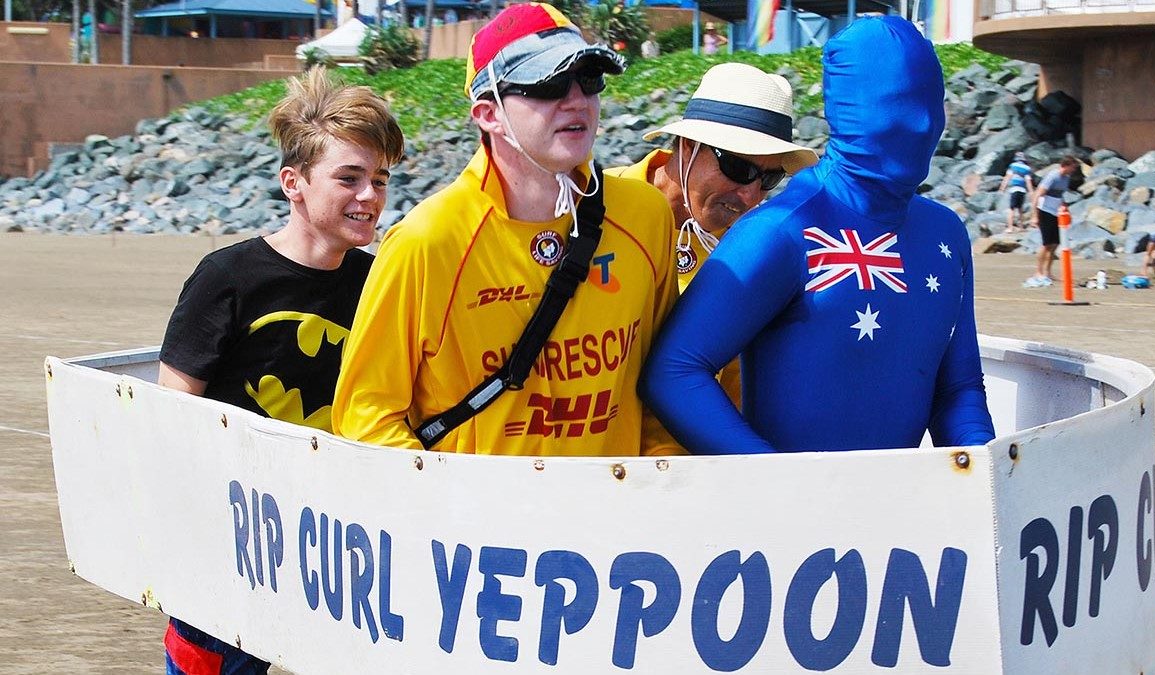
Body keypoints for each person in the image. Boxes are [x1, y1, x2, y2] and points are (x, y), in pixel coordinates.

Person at [332, 3, 681, 457]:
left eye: (589, 79)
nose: (576, 99)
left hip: (611, 516)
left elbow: (661, 384)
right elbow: (365, 415)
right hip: (478, 523)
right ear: (488, 114)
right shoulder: (428, 240)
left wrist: (660, 481)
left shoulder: (645, 215)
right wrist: (446, 509)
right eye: (550, 84)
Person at [639, 16, 995, 455]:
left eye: (931, 103)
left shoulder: (946, 234)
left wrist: (979, 471)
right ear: (850, 109)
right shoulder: (779, 230)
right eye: (898, 105)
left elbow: (958, 386)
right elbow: (674, 370)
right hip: (789, 514)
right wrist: (775, 480)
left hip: (897, 506)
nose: (921, 124)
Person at [156, 67, 404, 674]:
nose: (369, 196)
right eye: (349, 178)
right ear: (294, 182)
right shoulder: (227, 278)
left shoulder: (381, 283)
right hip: (235, 538)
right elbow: (174, 413)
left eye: (380, 180)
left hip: (340, 539)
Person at [608, 62, 817, 407]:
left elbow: (738, 379)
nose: (751, 195)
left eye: (768, 179)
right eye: (738, 168)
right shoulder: (592, 206)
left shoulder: (752, 248)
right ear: (687, 145)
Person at [1024, 155, 1080, 288]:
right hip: (1045, 211)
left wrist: (1065, 208)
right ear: (1066, 165)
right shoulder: (1053, 176)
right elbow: (1038, 194)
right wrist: (1034, 216)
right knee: (1046, 243)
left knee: (1055, 244)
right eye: (1073, 167)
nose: (1074, 170)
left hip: (1056, 213)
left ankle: (1048, 272)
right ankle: (1038, 271)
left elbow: (1060, 196)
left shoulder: (1066, 179)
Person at [1001, 151, 1034, 233]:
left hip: (1014, 189)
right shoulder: (1027, 168)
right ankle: (1021, 227)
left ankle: (1010, 227)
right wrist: (1031, 192)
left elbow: (1007, 177)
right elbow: (1028, 181)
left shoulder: (1013, 166)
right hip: (1022, 190)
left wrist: (1002, 188)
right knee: (1020, 209)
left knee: (1011, 209)